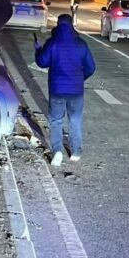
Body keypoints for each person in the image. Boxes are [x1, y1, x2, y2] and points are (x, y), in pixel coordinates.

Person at [35, 13, 96, 166]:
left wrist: (38, 50)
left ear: (58, 24)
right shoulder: (81, 44)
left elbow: (42, 62)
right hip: (76, 91)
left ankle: (57, 151)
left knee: (56, 120)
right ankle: (75, 152)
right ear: (71, 25)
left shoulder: (52, 43)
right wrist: (80, 79)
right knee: (75, 121)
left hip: (57, 90)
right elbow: (91, 67)